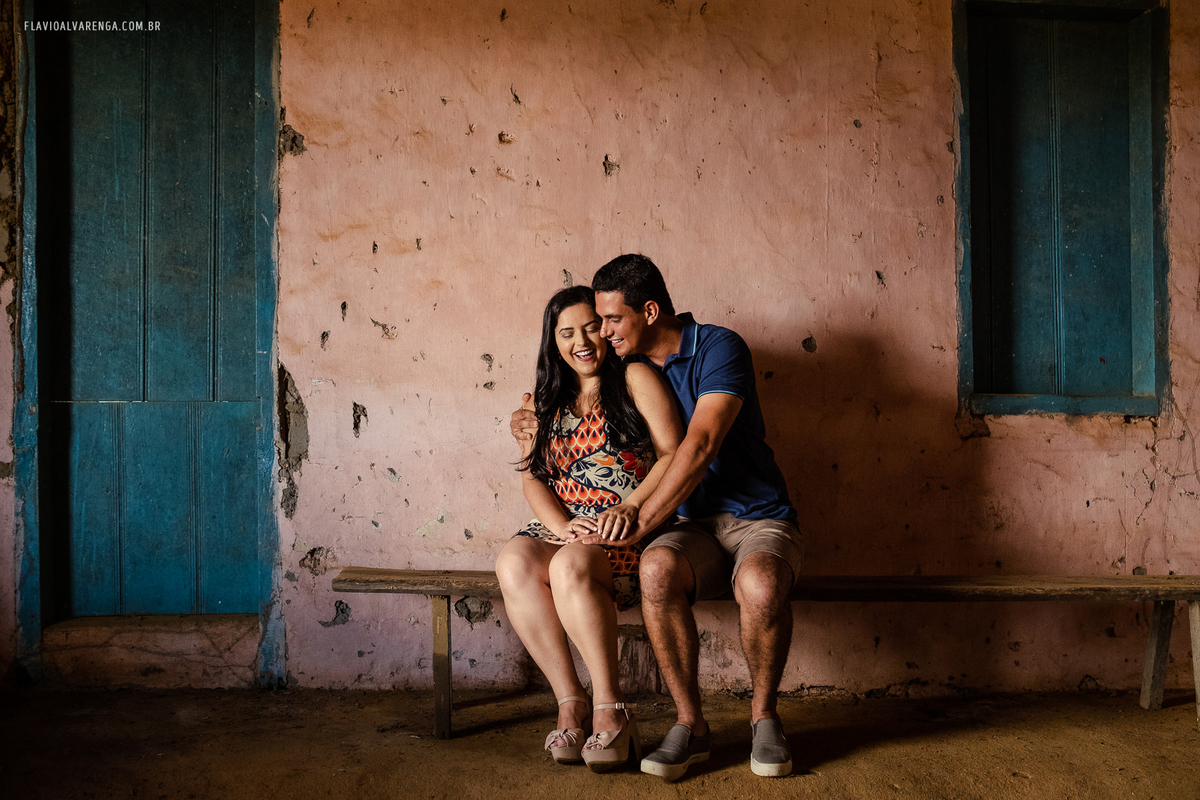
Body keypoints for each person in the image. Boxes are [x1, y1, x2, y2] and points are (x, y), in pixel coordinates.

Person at [510, 255, 802, 781]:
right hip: (689, 524)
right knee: (656, 570)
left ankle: (764, 719)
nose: (601, 333)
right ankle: (690, 725)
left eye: (608, 321)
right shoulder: (624, 363)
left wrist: (633, 522)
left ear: (647, 312)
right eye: (590, 325)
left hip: (755, 515)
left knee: (760, 585)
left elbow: (698, 445)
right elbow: (547, 457)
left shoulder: (717, 347)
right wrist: (528, 427)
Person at [495, 285, 684, 773]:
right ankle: (570, 703)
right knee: (513, 562)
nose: (580, 342)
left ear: (606, 329)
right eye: (566, 333)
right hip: (567, 528)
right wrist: (563, 526)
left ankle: (610, 708)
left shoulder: (635, 377)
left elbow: (672, 453)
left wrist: (631, 507)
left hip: (628, 526)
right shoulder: (545, 398)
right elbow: (533, 479)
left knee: (570, 564)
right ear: (553, 340)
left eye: (591, 327)